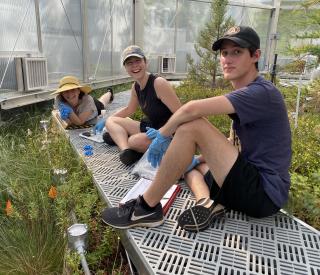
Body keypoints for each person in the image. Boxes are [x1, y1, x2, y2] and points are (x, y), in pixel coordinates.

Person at [101, 26, 292, 232]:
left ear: (256, 56)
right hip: (247, 182)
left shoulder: (262, 93)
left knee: (193, 125)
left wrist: (163, 135)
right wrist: (198, 159)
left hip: (263, 193)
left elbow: (192, 109)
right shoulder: (246, 94)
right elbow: (233, 144)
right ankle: (207, 202)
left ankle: (145, 207)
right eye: (224, 53)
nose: (228, 59)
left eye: (237, 52)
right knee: (190, 167)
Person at [103, 45, 182, 166]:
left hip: (168, 133)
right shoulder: (136, 86)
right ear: (125, 67)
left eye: (138, 61)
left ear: (145, 62)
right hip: (151, 127)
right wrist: (104, 121)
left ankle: (128, 143)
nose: (134, 66)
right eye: (129, 63)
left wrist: (164, 133)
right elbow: (130, 109)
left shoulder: (158, 83)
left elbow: (181, 114)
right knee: (111, 121)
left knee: (133, 140)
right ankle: (126, 151)